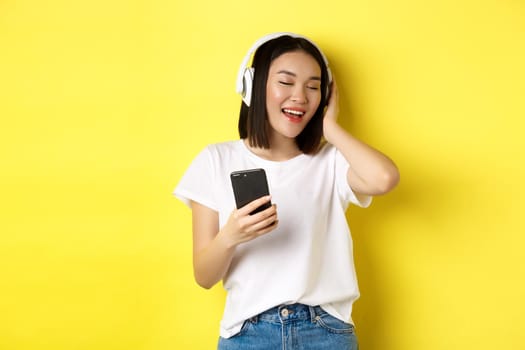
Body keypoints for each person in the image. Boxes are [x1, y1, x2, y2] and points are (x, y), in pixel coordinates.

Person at [174, 32, 399, 350]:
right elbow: (204, 276)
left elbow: (384, 179)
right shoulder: (215, 160)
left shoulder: (331, 161)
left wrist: (331, 128)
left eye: (313, 86)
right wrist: (231, 235)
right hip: (248, 335)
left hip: (326, 332)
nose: (301, 97)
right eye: (286, 82)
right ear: (253, 87)